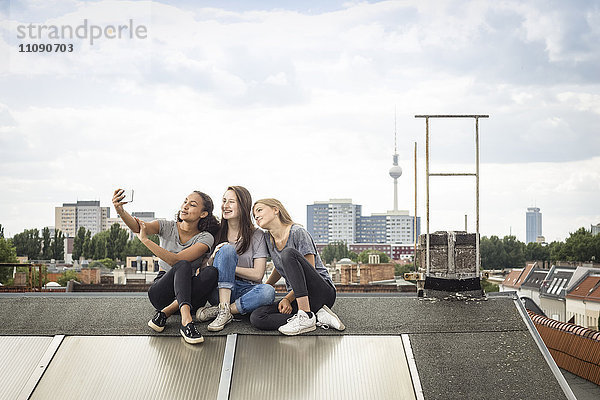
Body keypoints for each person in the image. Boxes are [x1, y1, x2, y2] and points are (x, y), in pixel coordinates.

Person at [112, 189, 219, 344]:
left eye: (192, 204)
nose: (185, 206)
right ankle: (187, 322)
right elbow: (138, 227)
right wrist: (120, 210)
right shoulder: (166, 226)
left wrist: (146, 241)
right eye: (185, 201)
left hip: (190, 297)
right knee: (183, 265)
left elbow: (175, 260)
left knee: (211, 272)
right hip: (161, 293)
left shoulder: (205, 237)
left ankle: (165, 314)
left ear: (203, 214)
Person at [249, 198, 345, 335]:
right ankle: (316, 317)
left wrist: (287, 298)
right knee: (257, 317)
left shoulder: (297, 232)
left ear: (276, 210)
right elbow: (280, 266)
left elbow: (308, 271)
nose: (256, 216)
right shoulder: (267, 238)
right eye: (254, 215)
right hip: (299, 297)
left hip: (321, 291)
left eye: (259, 210)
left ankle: (306, 315)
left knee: (288, 254)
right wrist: (266, 286)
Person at [196, 186, 275, 331]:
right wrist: (213, 259)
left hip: (247, 290)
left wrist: (229, 267)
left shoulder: (257, 235)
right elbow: (203, 272)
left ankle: (224, 311)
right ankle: (225, 307)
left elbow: (258, 275)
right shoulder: (215, 232)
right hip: (218, 291)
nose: (225, 206)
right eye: (224, 200)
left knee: (268, 291)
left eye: (231, 202)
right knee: (226, 250)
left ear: (243, 206)